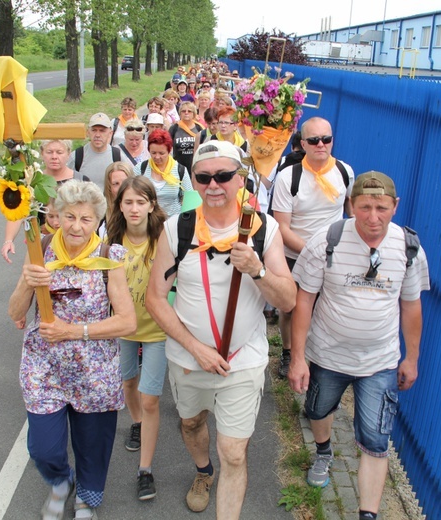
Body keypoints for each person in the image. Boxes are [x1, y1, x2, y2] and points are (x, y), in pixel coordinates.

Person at [146, 141, 296, 518]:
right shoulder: (176, 228)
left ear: (240, 179)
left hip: (241, 360)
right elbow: (155, 299)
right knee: (192, 422)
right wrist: (195, 348)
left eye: (225, 176)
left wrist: (258, 270)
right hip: (188, 358)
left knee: (233, 452)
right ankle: (202, 470)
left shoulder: (264, 229)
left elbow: (289, 300)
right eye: (204, 177)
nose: (214, 185)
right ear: (193, 181)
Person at [288, 171, 429, 520]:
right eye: (365, 206)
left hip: (379, 361)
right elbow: (303, 300)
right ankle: (323, 451)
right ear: (351, 205)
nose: (373, 217)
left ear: (395, 207)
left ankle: (368, 513)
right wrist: (298, 357)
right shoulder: (327, 240)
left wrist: (412, 358)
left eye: (381, 207)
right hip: (327, 354)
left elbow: (411, 306)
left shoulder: (408, 247)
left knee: (376, 439)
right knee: (318, 410)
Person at [8, 179, 137, 520]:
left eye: (85, 219)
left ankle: (86, 499)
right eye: (69, 217)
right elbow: (15, 313)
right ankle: (61, 481)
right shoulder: (41, 247)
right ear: (56, 217)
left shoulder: (110, 257)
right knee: (43, 447)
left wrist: (72, 330)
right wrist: (28, 281)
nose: (76, 226)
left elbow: (127, 322)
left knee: (92, 447)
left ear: (98, 221)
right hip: (43, 367)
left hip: (94, 370)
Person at [271, 117, 354, 379]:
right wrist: (312, 250)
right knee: (290, 307)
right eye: (314, 140)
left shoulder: (345, 172)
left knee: (325, 310)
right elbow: (282, 227)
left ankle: (316, 360)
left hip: (332, 256)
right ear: (303, 144)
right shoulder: (289, 177)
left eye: (326, 139)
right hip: (295, 254)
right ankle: (288, 352)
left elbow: (349, 209)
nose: (321, 145)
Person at [107, 176, 168, 501]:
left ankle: (145, 470)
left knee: (151, 398)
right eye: (127, 202)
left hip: (157, 328)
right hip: (123, 327)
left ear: (151, 205)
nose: (134, 208)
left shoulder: (164, 237)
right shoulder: (111, 237)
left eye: (140, 202)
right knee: (128, 383)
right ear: (119, 205)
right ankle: (135, 421)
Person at [1, 139, 75, 263]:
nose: (54, 157)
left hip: (72, 245)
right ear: (42, 153)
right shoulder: (31, 181)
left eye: (59, 152)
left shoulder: (80, 180)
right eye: (49, 152)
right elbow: (18, 213)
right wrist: (8, 240)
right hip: (40, 244)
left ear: (68, 154)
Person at [134, 129, 193, 217]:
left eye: (161, 153)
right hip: (147, 222)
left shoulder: (180, 170)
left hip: (173, 222)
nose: (157, 157)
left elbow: (190, 200)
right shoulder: (140, 169)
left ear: (169, 151)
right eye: (153, 153)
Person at [67, 112, 126, 190]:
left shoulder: (118, 156)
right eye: (94, 130)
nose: (97, 135)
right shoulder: (76, 156)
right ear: (88, 132)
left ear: (110, 133)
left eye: (102, 131)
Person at [97, 162, 135, 241]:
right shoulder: (101, 215)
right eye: (116, 184)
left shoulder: (141, 211)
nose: (122, 188)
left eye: (125, 182)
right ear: (109, 187)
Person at [169, 101, 204, 175]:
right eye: (183, 111)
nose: (186, 113)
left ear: (194, 114)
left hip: (196, 166)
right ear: (180, 113)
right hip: (178, 167)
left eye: (189, 111)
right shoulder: (174, 128)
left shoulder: (199, 128)